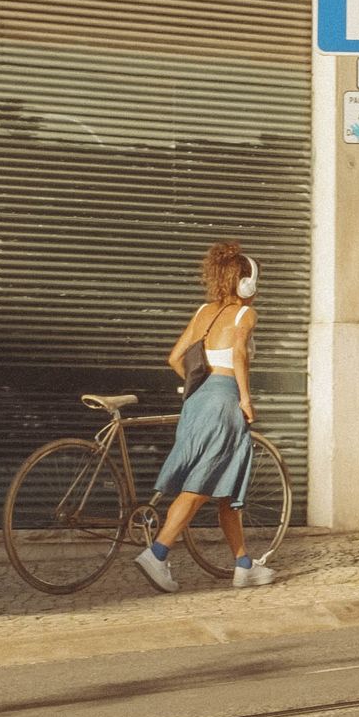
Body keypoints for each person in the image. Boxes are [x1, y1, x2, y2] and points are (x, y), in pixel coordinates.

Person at [136, 240, 277, 592]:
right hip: (224, 404)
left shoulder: (202, 312)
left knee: (225, 486)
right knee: (198, 485)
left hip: (197, 402)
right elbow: (239, 354)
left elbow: (174, 358)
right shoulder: (246, 315)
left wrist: (202, 384)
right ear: (246, 284)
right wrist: (245, 399)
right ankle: (158, 552)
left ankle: (243, 565)